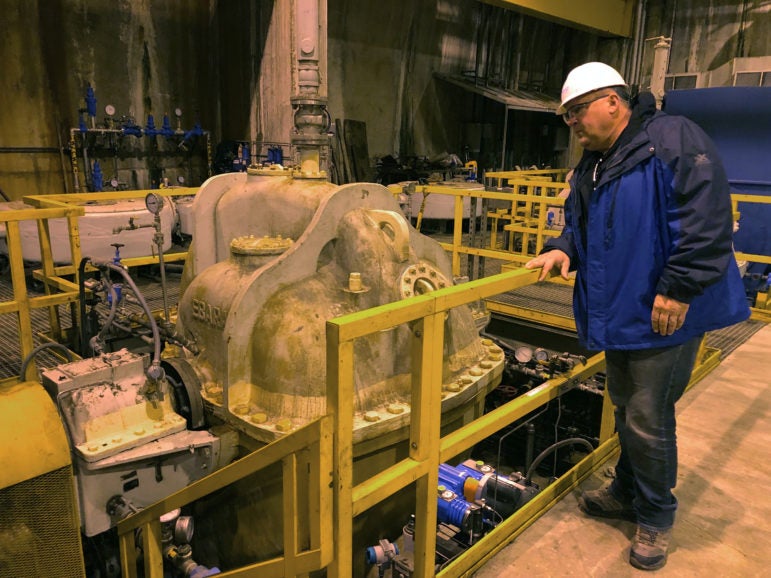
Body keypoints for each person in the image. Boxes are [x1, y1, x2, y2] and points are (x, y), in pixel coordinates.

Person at [525, 62, 750, 571]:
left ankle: (655, 515)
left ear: (612, 100)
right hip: (624, 305)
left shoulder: (670, 138)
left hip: (666, 310)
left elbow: (707, 217)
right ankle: (627, 490)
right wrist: (562, 247)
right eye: (566, 117)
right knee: (627, 406)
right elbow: (580, 221)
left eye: (577, 111)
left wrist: (678, 288)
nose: (573, 124)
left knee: (647, 416)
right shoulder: (594, 162)